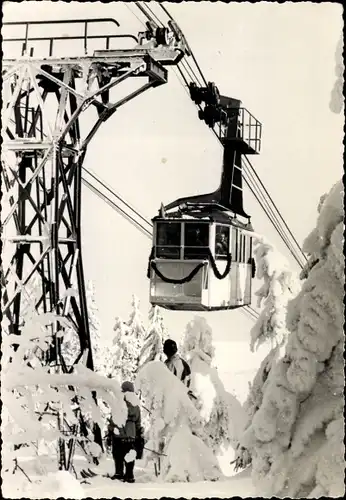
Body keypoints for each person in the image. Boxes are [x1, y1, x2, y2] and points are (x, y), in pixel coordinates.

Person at [107, 381, 142, 483]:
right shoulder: (136, 406)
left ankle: (119, 473)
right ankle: (129, 475)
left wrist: (110, 428)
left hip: (119, 433)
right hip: (131, 434)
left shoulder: (118, 403)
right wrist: (138, 433)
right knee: (130, 454)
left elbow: (113, 419)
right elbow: (138, 422)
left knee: (118, 454)